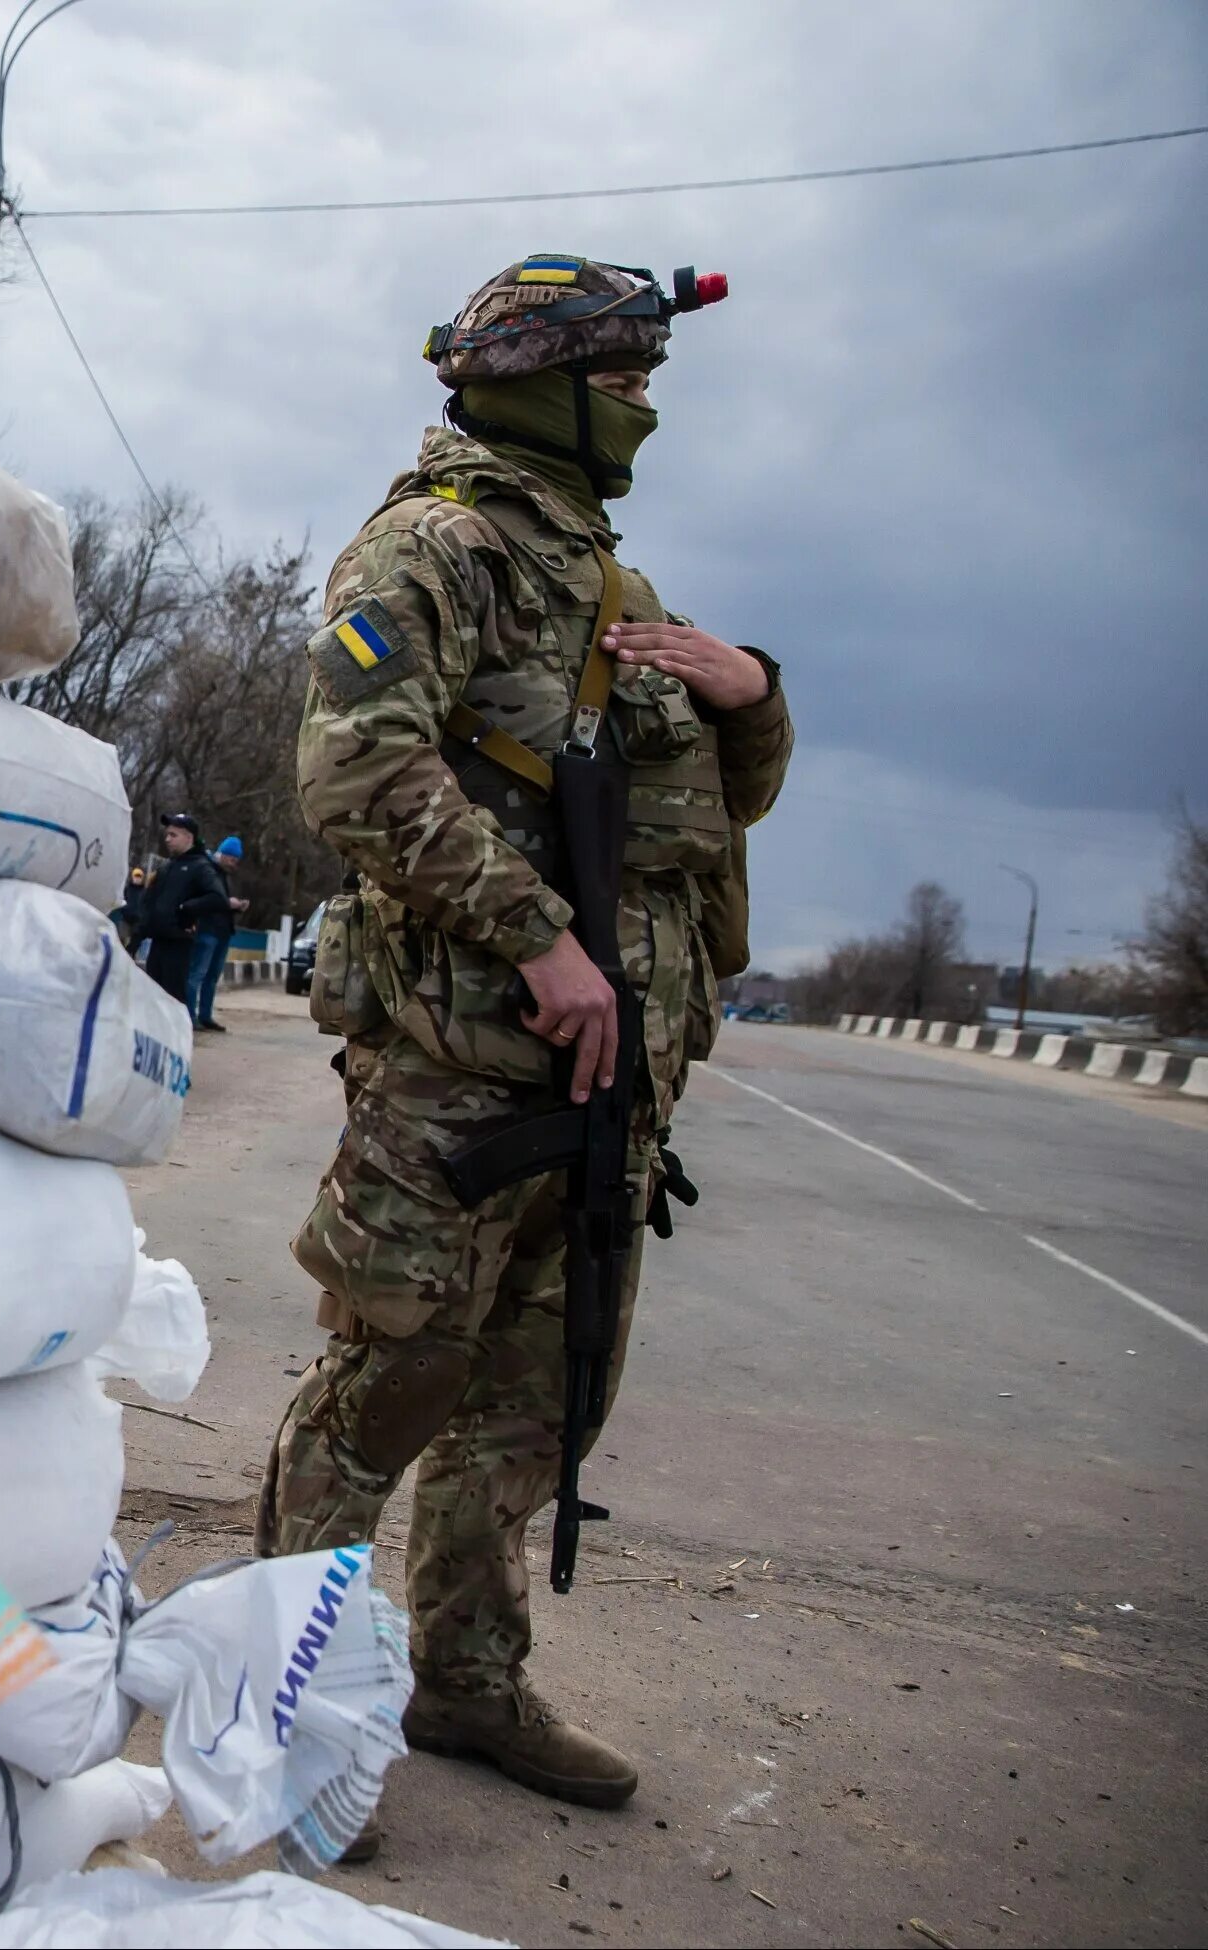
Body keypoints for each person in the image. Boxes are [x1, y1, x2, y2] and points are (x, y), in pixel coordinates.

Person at [255, 255, 792, 1825]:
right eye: (622, 382)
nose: (643, 410)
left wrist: (750, 690)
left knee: (536, 1402)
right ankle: (280, 1700)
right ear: (541, 382)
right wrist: (540, 939)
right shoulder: (437, 546)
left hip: (606, 1092)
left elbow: (718, 802)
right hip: (460, 1073)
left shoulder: (614, 587)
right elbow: (353, 771)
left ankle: (466, 1680)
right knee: (390, 1382)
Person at [137, 813, 233, 1007]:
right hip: (157, 942)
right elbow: (151, 903)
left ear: (189, 838)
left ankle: (179, 1033)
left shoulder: (200, 867)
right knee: (152, 999)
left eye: (173, 835)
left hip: (178, 943)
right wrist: (137, 936)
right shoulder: (167, 867)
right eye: (167, 835)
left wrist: (187, 909)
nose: (167, 839)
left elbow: (218, 898)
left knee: (172, 999)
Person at [187, 836, 251, 1032]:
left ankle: (205, 1016)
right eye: (232, 859)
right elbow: (207, 899)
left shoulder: (222, 874)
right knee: (197, 974)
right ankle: (190, 1016)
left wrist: (236, 906)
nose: (234, 864)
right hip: (206, 929)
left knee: (212, 976)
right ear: (223, 854)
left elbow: (220, 900)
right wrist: (227, 902)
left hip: (222, 930)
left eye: (236, 861)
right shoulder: (207, 870)